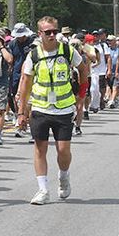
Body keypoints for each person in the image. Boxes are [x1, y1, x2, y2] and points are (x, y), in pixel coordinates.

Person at [16, 16, 86, 205]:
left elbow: (83, 68)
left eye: (55, 31)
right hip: (40, 107)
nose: (52, 35)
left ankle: (64, 176)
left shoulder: (67, 51)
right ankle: (43, 189)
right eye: (48, 32)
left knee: (63, 151)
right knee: (40, 149)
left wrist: (81, 94)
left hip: (63, 108)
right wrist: (22, 112)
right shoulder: (34, 55)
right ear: (40, 34)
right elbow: (25, 83)